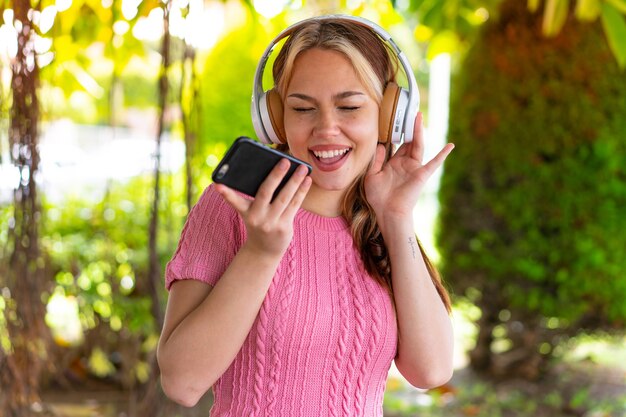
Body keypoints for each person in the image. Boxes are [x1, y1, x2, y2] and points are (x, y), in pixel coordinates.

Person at [157, 14, 455, 416]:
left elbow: (431, 369)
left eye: (349, 106)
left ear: (389, 115)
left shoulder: (382, 218)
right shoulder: (232, 205)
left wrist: (396, 215)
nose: (327, 129)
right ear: (275, 118)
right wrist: (262, 252)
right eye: (303, 109)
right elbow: (181, 382)